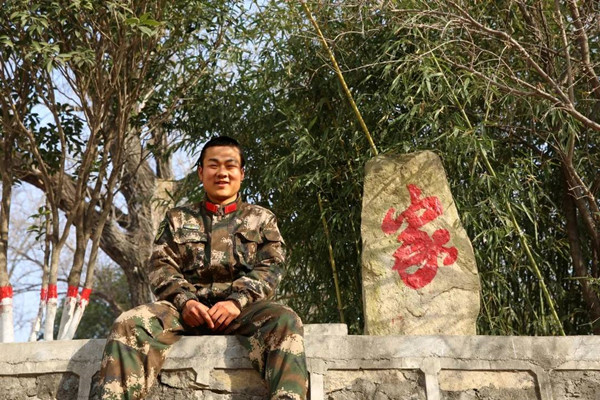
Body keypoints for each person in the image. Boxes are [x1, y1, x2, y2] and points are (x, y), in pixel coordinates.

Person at [97, 136, 308, 400]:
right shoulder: (177, 219)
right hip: (184, 312)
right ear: (200, 172)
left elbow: (272, 266)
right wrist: (185, 301)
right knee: (129, 324)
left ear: (242, 173)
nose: (222, 173)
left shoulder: (261, 219)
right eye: (213, 165)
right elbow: (161, 266)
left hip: (242, 312)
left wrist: (237, 301)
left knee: (285, 320)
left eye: (230, 166)